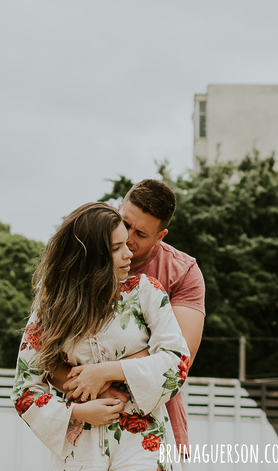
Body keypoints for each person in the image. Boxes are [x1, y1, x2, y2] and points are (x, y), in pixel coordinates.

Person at [13, 202, 190, 470]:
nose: (128, 253)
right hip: (80, 449)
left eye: (126, 244)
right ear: (91, 257)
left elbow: (177, 361)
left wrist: (107, 372)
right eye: (116, 248)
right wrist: (77, 413)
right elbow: (25, 390)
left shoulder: (147, 292)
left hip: (143, 444)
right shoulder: (50, 307)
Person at [51, 179, 205, 457]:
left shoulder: (183, 272)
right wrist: (89, 392)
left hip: (156, 423)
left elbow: (180, 356)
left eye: (142, 234)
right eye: (126, 223)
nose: (130, 238)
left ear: (161, 236)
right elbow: (47, 354)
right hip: (86, 422)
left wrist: (103, 373)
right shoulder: (81, 259)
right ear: (119, 207)